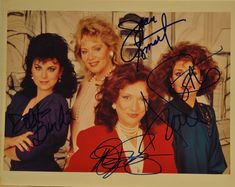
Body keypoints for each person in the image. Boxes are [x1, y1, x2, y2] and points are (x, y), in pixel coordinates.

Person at [65, 63, 177, 175]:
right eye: (126, 98)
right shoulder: (92, 139)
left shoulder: (162, 135)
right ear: (113, 100)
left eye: (142, 99)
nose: (134, 107)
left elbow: (170, 182)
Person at [4, 33, 77, 171]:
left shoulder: (57, 104)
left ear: (60, 71)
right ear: (31, 69)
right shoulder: (20, 98)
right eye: (38, 68)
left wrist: (5, 146)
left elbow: (23, 154)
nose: (43, 76)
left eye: (51, 69)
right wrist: (11, 141)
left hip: (43, 176)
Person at [151, 41, 227, 173]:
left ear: (202, 79)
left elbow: (215, 166)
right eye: (179, 74)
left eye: (192, 74)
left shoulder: (208, 113)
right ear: (170, 80)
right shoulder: (161, 114)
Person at [70, 17, 122, 152]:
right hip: (77, 163)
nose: (90, 57)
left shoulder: (122, 82)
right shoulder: (85, 83)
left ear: (110, 49)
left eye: (96, 49)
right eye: (84, 51)